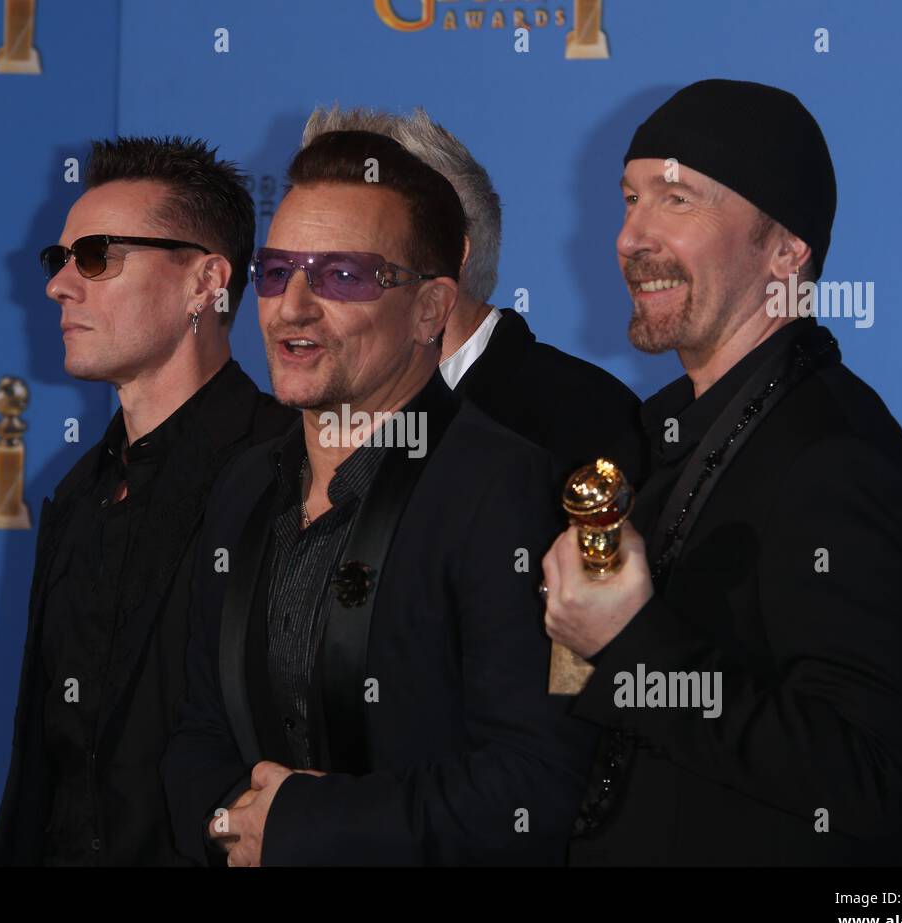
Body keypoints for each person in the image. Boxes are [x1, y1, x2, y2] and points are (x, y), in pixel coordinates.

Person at [161, 130, 595, 866]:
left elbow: (535, 783)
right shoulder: (243, 487)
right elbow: (195, 732)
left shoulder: (502, 488)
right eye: (276, 272)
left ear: (430, 310)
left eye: (343, 276)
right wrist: (233, 827)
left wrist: (301, 825)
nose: (291, 308)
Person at [541, 79, 902, 865]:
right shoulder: (653, 434)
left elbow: (862, 778)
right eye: (628, 199)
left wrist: (631, 644)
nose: (629, 236)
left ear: (785, 252)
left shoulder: (837, 455)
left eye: (676, 199)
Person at [0, 136, 295, 866]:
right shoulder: (75, 492)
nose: (61, 285)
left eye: (95, 256)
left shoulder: (291, 470)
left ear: (205, 281)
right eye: (58, 261)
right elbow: (46, 759)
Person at [301, 106, 646, 481]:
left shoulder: (585, 421)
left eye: (347, 264)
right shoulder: (294, 441)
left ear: (449, 255)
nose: (300, 298)